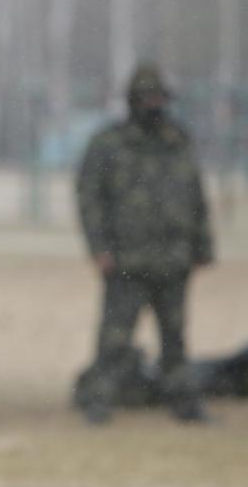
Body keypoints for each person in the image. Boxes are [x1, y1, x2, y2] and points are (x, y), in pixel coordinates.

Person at [76, 62, 214, 424]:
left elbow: (196, 195)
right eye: (148, 97)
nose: (155, 104)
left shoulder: (178, 141)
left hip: (174, 258)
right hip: (126, 260)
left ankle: (183, 401)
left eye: (160, 97)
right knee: (114, 339)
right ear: (134, 100)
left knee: (176, 338)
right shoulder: (108, 145)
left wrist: (203, 246)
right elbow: (90, 198)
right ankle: (98, 400)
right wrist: (99, 247)